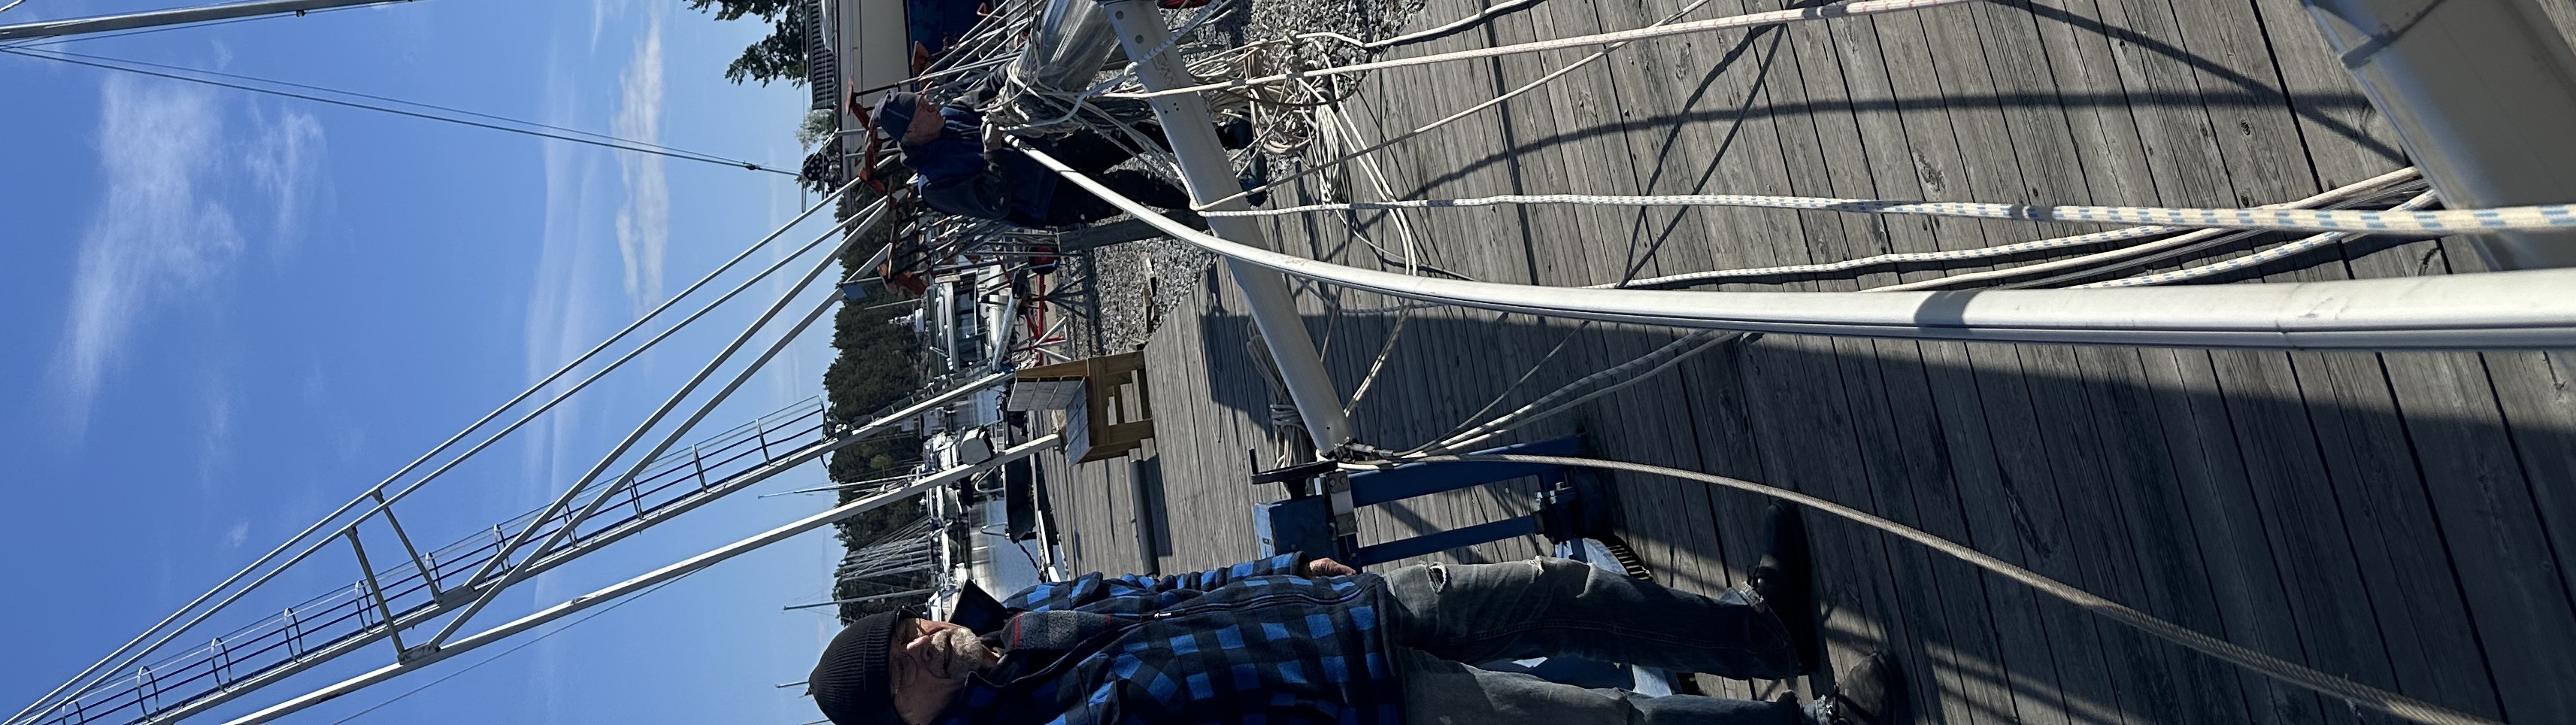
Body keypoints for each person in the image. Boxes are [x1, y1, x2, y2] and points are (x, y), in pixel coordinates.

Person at [805, 510, 1907, 725]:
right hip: (1367, 702)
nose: (919, 639)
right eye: (901, 664)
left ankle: (1762, 636)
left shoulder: (1025, 615)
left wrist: (1297, 566)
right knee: (1604, 721)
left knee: (1562, 591)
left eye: (905, 627)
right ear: (905, 719)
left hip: (1336, 610)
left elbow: (1170, 594)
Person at [876, 89, 1202, 232]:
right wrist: (992, 151)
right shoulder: (934, 184)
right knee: (1130, 186)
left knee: (1129, 132)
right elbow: (994, 205)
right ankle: (1219, 199)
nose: (931, 104)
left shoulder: (952, 114)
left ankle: (1230, 134)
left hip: (1052, 153)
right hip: (1050, 200)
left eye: (924, 100)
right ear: (911, 130)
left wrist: (1022, 63)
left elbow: (991, 87)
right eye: (922, 108)